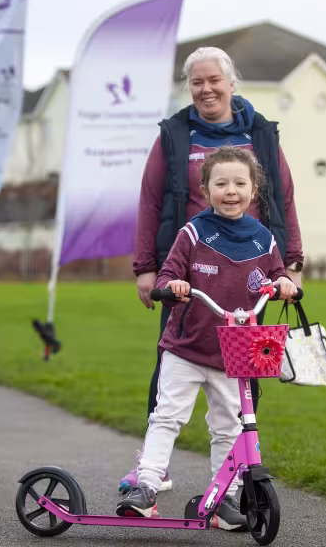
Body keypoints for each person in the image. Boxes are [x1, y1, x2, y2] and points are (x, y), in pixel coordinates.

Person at [120, 46, 304, 493]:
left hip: (250, 273)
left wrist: (292, 264)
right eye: (196, 82)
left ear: (231, 82)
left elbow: (285, 195)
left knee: (243, 377)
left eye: (214, 80)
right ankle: (152, 469)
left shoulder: (261, 134)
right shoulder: (176, 135)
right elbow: (149, 199)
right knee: (172, 365)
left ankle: (235, 478)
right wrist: (148, 267)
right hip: (189, 272)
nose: (206, 89)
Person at [116, 146, 297, 529]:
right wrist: (174, 285)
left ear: (253, 190)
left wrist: (283, 284)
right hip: (186, 348)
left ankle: (224, 498)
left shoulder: (263, 239)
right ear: (205, 188)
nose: (230, 191)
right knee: (166, 416)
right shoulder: (194, 232)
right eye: (221, 183)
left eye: (239, 183)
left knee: (229, 427)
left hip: (234, 353)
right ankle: (146, 487)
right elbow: (166, 276)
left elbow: (278, 274)